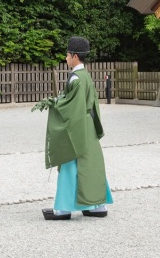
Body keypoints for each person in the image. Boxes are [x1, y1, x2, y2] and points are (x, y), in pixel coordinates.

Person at [41, 36, 113, 220]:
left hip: (79, 126)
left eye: (67, 55)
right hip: (88, 125)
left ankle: (63, 209)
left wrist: (53, 104)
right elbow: (91, 103)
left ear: (74, 56)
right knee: (91, 165)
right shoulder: (85, 76)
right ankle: (97, 205)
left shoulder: (75, 77)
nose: (65, 58)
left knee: (69, 163)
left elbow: (70, 106)